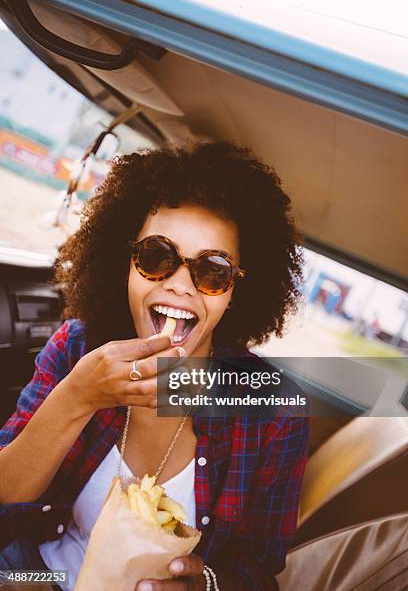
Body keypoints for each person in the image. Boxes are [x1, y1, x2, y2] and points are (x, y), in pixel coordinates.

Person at [0, 142, 310, 590]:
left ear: (236, 291)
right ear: (125, 262)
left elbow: (259, 570)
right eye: (156, 257)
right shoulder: (76, 348)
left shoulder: (275, 411)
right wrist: (76, 398)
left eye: (213, 270)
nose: (181, 285)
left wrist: (206, 584)